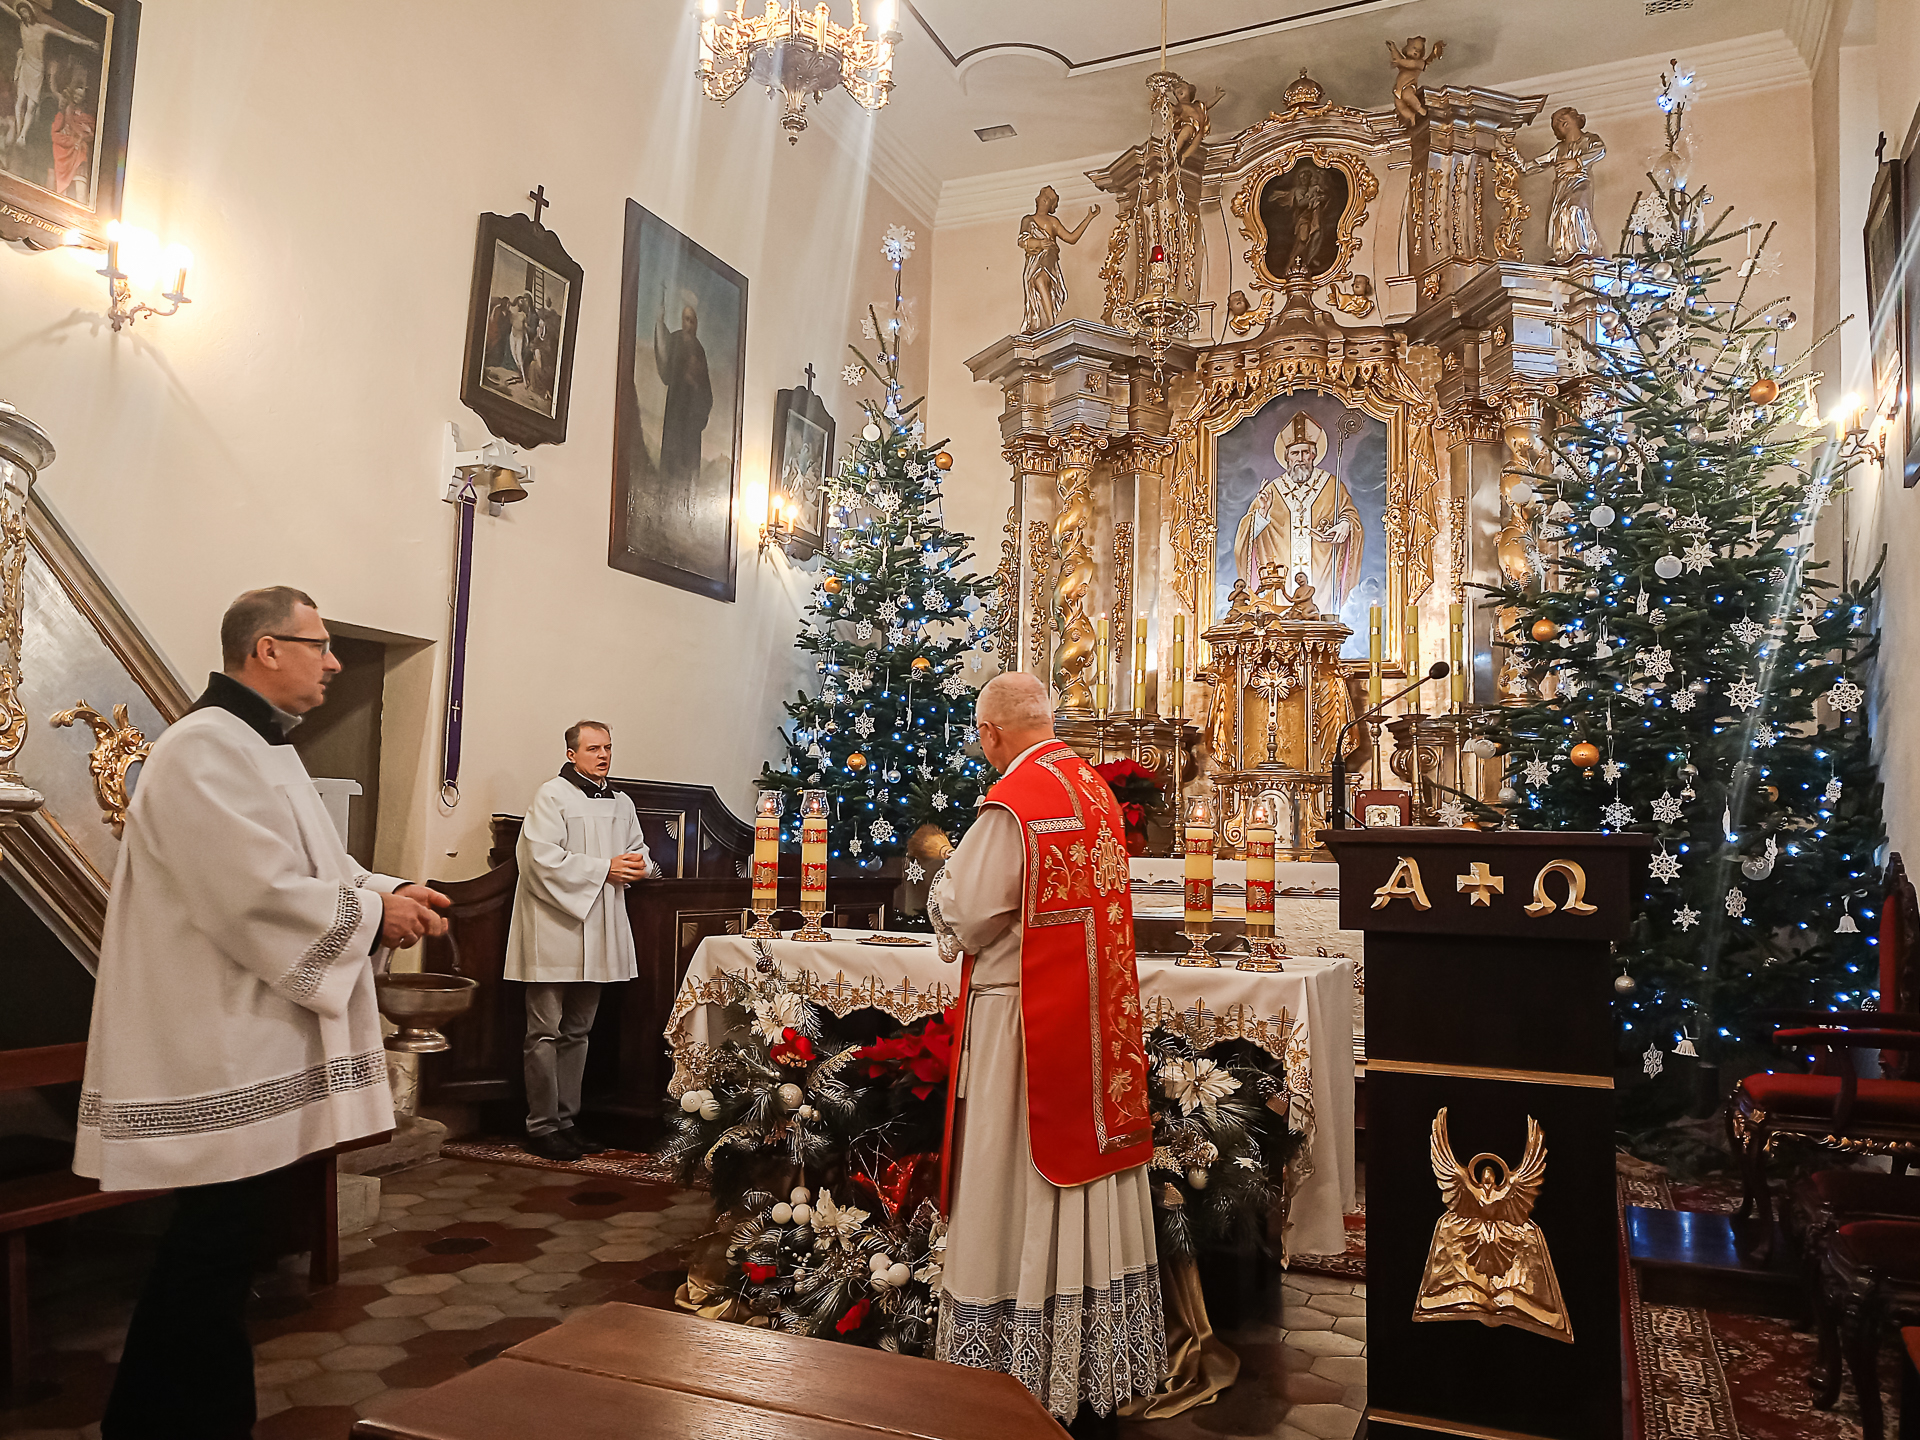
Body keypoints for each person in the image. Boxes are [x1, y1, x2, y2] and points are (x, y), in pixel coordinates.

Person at [75, 586, 450, 1440]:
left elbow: (317, 867)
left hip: (252, 1040)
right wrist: (372, 918)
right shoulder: (203, 749)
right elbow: (255, 894)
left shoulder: (258, 745)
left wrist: (388, 890)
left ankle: (174, 1420)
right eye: (319, 644)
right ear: (266, 649)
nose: (334, 661)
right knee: (208, 1254)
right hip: (216, 1045)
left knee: (220, 1255)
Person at [930, 673, 1164, 1438]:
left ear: (991, 733)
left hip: (1021, 1027)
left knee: (1013, 1184)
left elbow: (968, 911)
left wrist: (938, 886)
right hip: (1090, 1023)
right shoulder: (1092, 788)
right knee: (1082, 1180)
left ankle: (1016, 1358)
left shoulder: (1015, 800)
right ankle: (1086, 1357)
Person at [504, 720, 658, 1161]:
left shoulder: (622, 802)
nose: (603, 755)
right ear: (571, 754)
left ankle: (567, 1120)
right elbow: (539, 859)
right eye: (593, 748)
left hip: (600, 927)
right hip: (554, 928)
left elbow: (638, 850)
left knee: (578, 1031)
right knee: (544, 1031)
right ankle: (541, 1125)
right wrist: (603, 869)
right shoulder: (551, 795)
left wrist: (639, 866)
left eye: (607, 747)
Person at [1233, 410, 1362, 612]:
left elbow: (1350, 516)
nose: (1300, 458)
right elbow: (1246, 537)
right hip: (1281, 580)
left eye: (1305, 452)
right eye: (1295, 453)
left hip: (1322, 573)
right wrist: (1262, 515)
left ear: (1314, 454)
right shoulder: (1271, 490)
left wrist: (1345, 524)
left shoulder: (1332, 486)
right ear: (1286, 457)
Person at [1524, 106, 1607, 264]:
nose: (1562, 124)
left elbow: (1600, 150)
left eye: (1564, 120)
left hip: (1580, 182)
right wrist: (1511, 151)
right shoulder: (1558, 149)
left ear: (1576, 120)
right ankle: (1564, 252)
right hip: (1561, 187)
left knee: (1575, 208)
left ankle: (1582, 248)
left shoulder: (1589, 139)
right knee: (1561, 215)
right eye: (1558, 123)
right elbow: (1532, 165)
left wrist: (1577, 162)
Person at [654, 292, 713, 504]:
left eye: (691, 321)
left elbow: (706, 392)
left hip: (691, 417)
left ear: (696, 323)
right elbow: (665, 361)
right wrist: (659, 323)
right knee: (671, 455)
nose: (688, 325)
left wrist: (694, 383)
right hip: (675, 409)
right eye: (685, 320)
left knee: (688, 461)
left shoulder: (700, 350)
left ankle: (685, 502)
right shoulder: (676, 340)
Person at [1017, 185, 1100, 335]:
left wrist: (1089, 217)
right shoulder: (1028, 220)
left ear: (1046, 201)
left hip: (1049, 256)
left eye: (1041, 196)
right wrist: (1039, 243)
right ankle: (1039, 323)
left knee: (1040, 281)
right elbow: (1022, 241)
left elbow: (1071, 238)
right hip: (1034, 260)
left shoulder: (1053, 221)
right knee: (1035, 287)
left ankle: (1050, 324)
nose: (1037, 198)